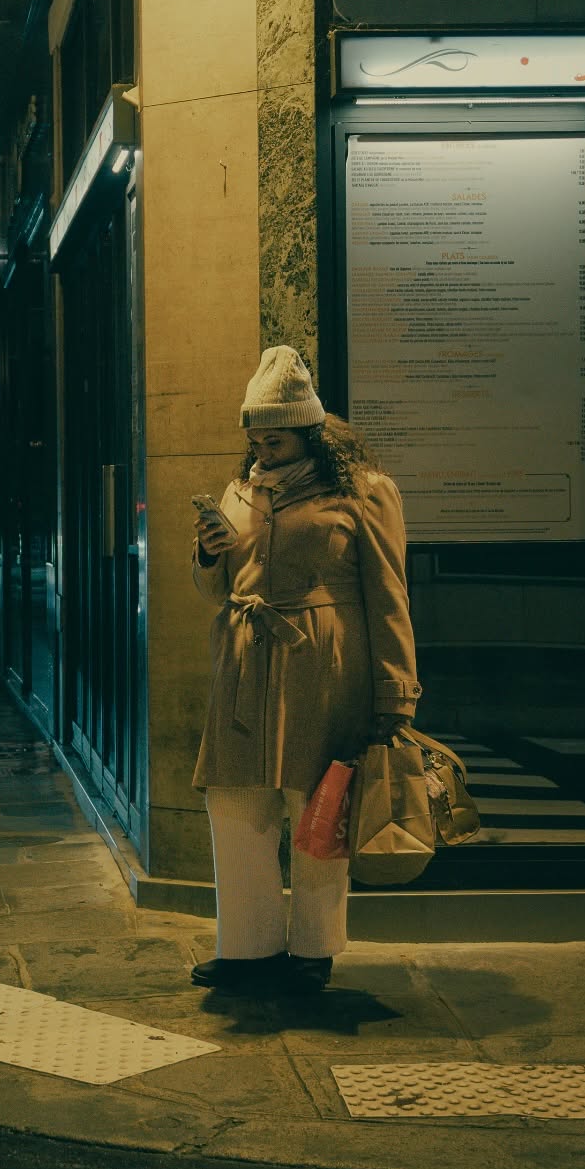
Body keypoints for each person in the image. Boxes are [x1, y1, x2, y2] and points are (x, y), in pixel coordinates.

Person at [190, 345, 419, 994]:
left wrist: (395, 695)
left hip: (322, 670)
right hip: (242, 672)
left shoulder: (363, 493)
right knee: (236, 808)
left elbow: (390, 597)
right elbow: (215, 592)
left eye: (277, 439)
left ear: (310, 433)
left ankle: (312, 951)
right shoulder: (238, 494)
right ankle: (247, 949)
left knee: (319, 812)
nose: (264, 451)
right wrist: (209, 558)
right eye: (256, 439)